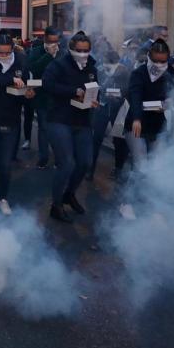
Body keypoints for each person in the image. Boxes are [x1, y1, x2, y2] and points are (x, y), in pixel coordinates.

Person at [43, 31, 98, 223]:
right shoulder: (58, 65)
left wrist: (93, 99)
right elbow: (48, 85)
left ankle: (69, 193)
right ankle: (56, 205)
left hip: (82, 120)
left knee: (85, 162)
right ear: (71, 49)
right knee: (67, 163)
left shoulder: (91, 66)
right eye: (79, 50)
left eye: (86, 50)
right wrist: (73, 92)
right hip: (59, 118)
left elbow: (93, 87)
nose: (83, 54)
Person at [0, 33, 34, 216]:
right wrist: (8, 79)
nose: (3, 56)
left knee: (5, 164)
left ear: (12, 50)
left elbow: (25, 85)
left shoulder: (21, 63)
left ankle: (3, 198)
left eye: (7, 53)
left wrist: (28, 93)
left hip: (11, 118)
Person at [124, 39, 174, 167]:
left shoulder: (169, 74)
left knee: (156, 166)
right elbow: (134, 97)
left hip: (157, 124)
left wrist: (169, 102)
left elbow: (172, 93)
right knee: (141, 165)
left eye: (162, 61)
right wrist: (136, 119)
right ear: (149, 58)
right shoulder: (139, 73)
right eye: (156, 61)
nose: (159, 64)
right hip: (137, 123)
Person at [88, 50, 131, 180]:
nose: (107, 65)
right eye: (106, 62)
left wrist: (118, 95)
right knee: (96, 139)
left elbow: (127, 90)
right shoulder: (99, 69)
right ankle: (90, 169)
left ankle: (118, 168)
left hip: (117, 109)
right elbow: (94, 85)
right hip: (101, 107)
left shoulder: (124, 72)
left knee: (118, 140)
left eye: (111, 63)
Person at [25, 27, 62, 168]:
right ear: (45, 39)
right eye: (50, 41)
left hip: (59, 97)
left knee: (58, 130)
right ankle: (43, 157)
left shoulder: (62, 54)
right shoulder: (36, 51)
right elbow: (33, 69)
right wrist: (48, 56)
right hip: (42, 97)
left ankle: (59, 157)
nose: (53, 44)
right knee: (44, 128)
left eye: (55, 41)